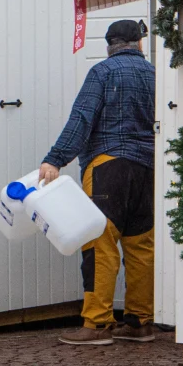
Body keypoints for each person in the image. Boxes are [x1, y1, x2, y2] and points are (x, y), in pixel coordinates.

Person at [39, 19, 157, 345]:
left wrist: (55, 158)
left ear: (110, 46)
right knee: (141, 246)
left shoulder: (102, 73)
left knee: (99, 242)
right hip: (148, 169)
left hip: (109, 166)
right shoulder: (155, 74)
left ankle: (97, 323)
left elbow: (82, 118)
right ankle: (140, 322)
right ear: (139, 44)